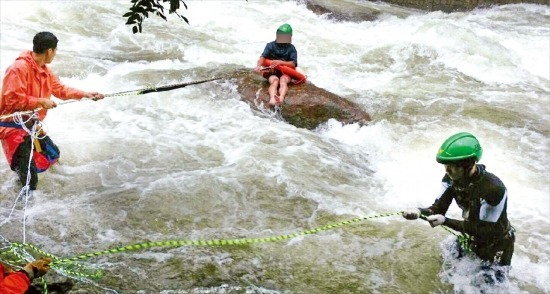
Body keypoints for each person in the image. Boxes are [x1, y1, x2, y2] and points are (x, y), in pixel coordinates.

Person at [0, 31, 104, 191]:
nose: (54, 54)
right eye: (55, 51)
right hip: (12, 130)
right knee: (29, 180)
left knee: (53, 155)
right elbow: (12, 100)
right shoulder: (18, 69)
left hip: (31, 126)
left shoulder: (44, 71)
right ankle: (20, 211)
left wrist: (86, 94)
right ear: (49, 51)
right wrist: (40, 101)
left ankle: (62, 189)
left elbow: (61, 90)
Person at [402, 132, 515, 270]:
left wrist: (446, 221)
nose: (447, 170)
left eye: (452, 166)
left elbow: (484, 229)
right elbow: (438, 209)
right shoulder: (450, 179)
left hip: (497, 244)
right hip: (470, 237)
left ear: (468, 164)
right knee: (445, 267)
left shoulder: (493, 189)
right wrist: (418, 212)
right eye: (445, 165)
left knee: (490, 286)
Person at [254, 23, 298, 106]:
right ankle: (272, 98)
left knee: (283, 80)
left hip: (286, 73)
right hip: (272, 72)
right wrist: (258, 66)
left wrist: (280, 62)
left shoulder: (291, 48)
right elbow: (262, 57)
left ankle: (281, 98)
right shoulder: (270, 45)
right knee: (275, 81)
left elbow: (293, 63)